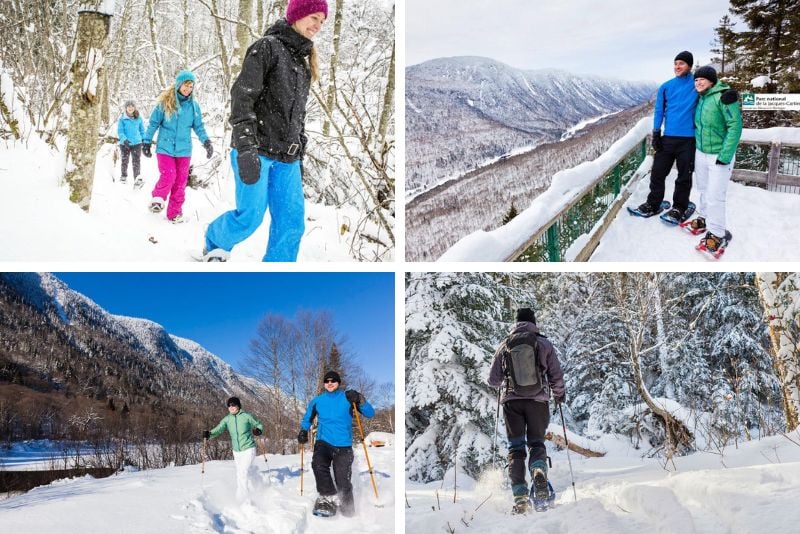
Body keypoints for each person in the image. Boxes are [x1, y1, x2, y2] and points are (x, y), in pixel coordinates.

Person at [198, 0, 328, 262]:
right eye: (314, 17)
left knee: (291, 223)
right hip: (256, 149)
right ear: (297, 14)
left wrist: (299, 145)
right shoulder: (267, 48)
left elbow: (296, 113)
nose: (317, 26)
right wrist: (246, 148)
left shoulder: (303, 63)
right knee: (250, 217)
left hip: (287, 158)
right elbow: (242, 98)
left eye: (322, 22)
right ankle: (215, 241)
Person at [488, 307, 566, 515]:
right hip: (538, 402)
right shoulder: (544, 343)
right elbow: (556, 375)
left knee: (516, 449)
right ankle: (539, 470)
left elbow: (493, 380)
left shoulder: (505, 345)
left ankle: (520, 498)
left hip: (512, 404)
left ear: (516, 323)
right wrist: (559, 394)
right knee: (536, 443)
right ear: (533, 322)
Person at [297, 371, 374, 517]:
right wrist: (303, 430)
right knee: (318, 465)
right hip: (323, 442)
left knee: (343, 481)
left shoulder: (348, 398)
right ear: (324, 384)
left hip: (343, 445)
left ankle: (348, 511)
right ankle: (327, 496)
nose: (330, 383)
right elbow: (307, 418)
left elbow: (370, 413)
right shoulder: (317, 401)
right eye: (327, 381)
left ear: (338, 382)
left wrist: (359, 399)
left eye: (333, 380)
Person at [142, 70, 213, 223]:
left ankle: (174, 213)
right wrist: (146, 141)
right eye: (185, 86)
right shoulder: (165, 103)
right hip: (165, 147)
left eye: (191, 86)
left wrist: (206, 141)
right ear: (179, 85)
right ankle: (157, 199)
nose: (188, 89)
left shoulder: (194, 107)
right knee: (169, 175)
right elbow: (154, 123)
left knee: (180, 182)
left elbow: (198, 126)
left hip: (184, 150)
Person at [635, 51, 697, 221]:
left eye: (681, 63)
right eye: (675, 63)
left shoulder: (697, 84)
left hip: (689, 140)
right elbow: (659, 111)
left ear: (689, 66)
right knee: (657, 173)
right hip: (668, 138)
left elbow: (714, 90)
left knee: (684, 176)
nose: (677, 67)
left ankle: (679, 207)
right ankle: (653, 203)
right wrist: (656, 132)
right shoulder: (666, 86)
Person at [689, 65, 742, 253]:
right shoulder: (702, 98)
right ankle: (704, 217)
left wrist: (725, 155)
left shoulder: (723, 97)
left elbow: (735, 126)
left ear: (712, 80)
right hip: (701, 152)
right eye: (696, 80)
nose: (698, 82)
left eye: (702, 79)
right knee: (703, 189)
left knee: (715, 196)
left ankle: (717, 234)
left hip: (719, 155)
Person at [203, 397, 265, 501]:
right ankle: (257, 483)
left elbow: (258, 424)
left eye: (233, 405)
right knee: (240, 473)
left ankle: (242, 498)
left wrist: (258, 430)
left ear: (238, 405)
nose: (231, 407)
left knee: (242, 472)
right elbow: (219, 429)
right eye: (229, 405)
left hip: (248, 448)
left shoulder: (246, 416)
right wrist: (209, 434)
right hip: (236, 451)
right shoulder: (227, 419)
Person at [117, 100, 145, 187]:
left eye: (132, 106)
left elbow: (142, 130)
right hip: (125, 143)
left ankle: (137, 178)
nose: (130, 108)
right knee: (125, 160)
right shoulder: (122, 119)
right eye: (128, 106)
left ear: (134, 107)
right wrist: (124, 139)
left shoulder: (139, 118)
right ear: (126, 108)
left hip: (137, 143)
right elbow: (120, 131)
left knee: (136, 161)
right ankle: (123, 176)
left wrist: (144, 140)